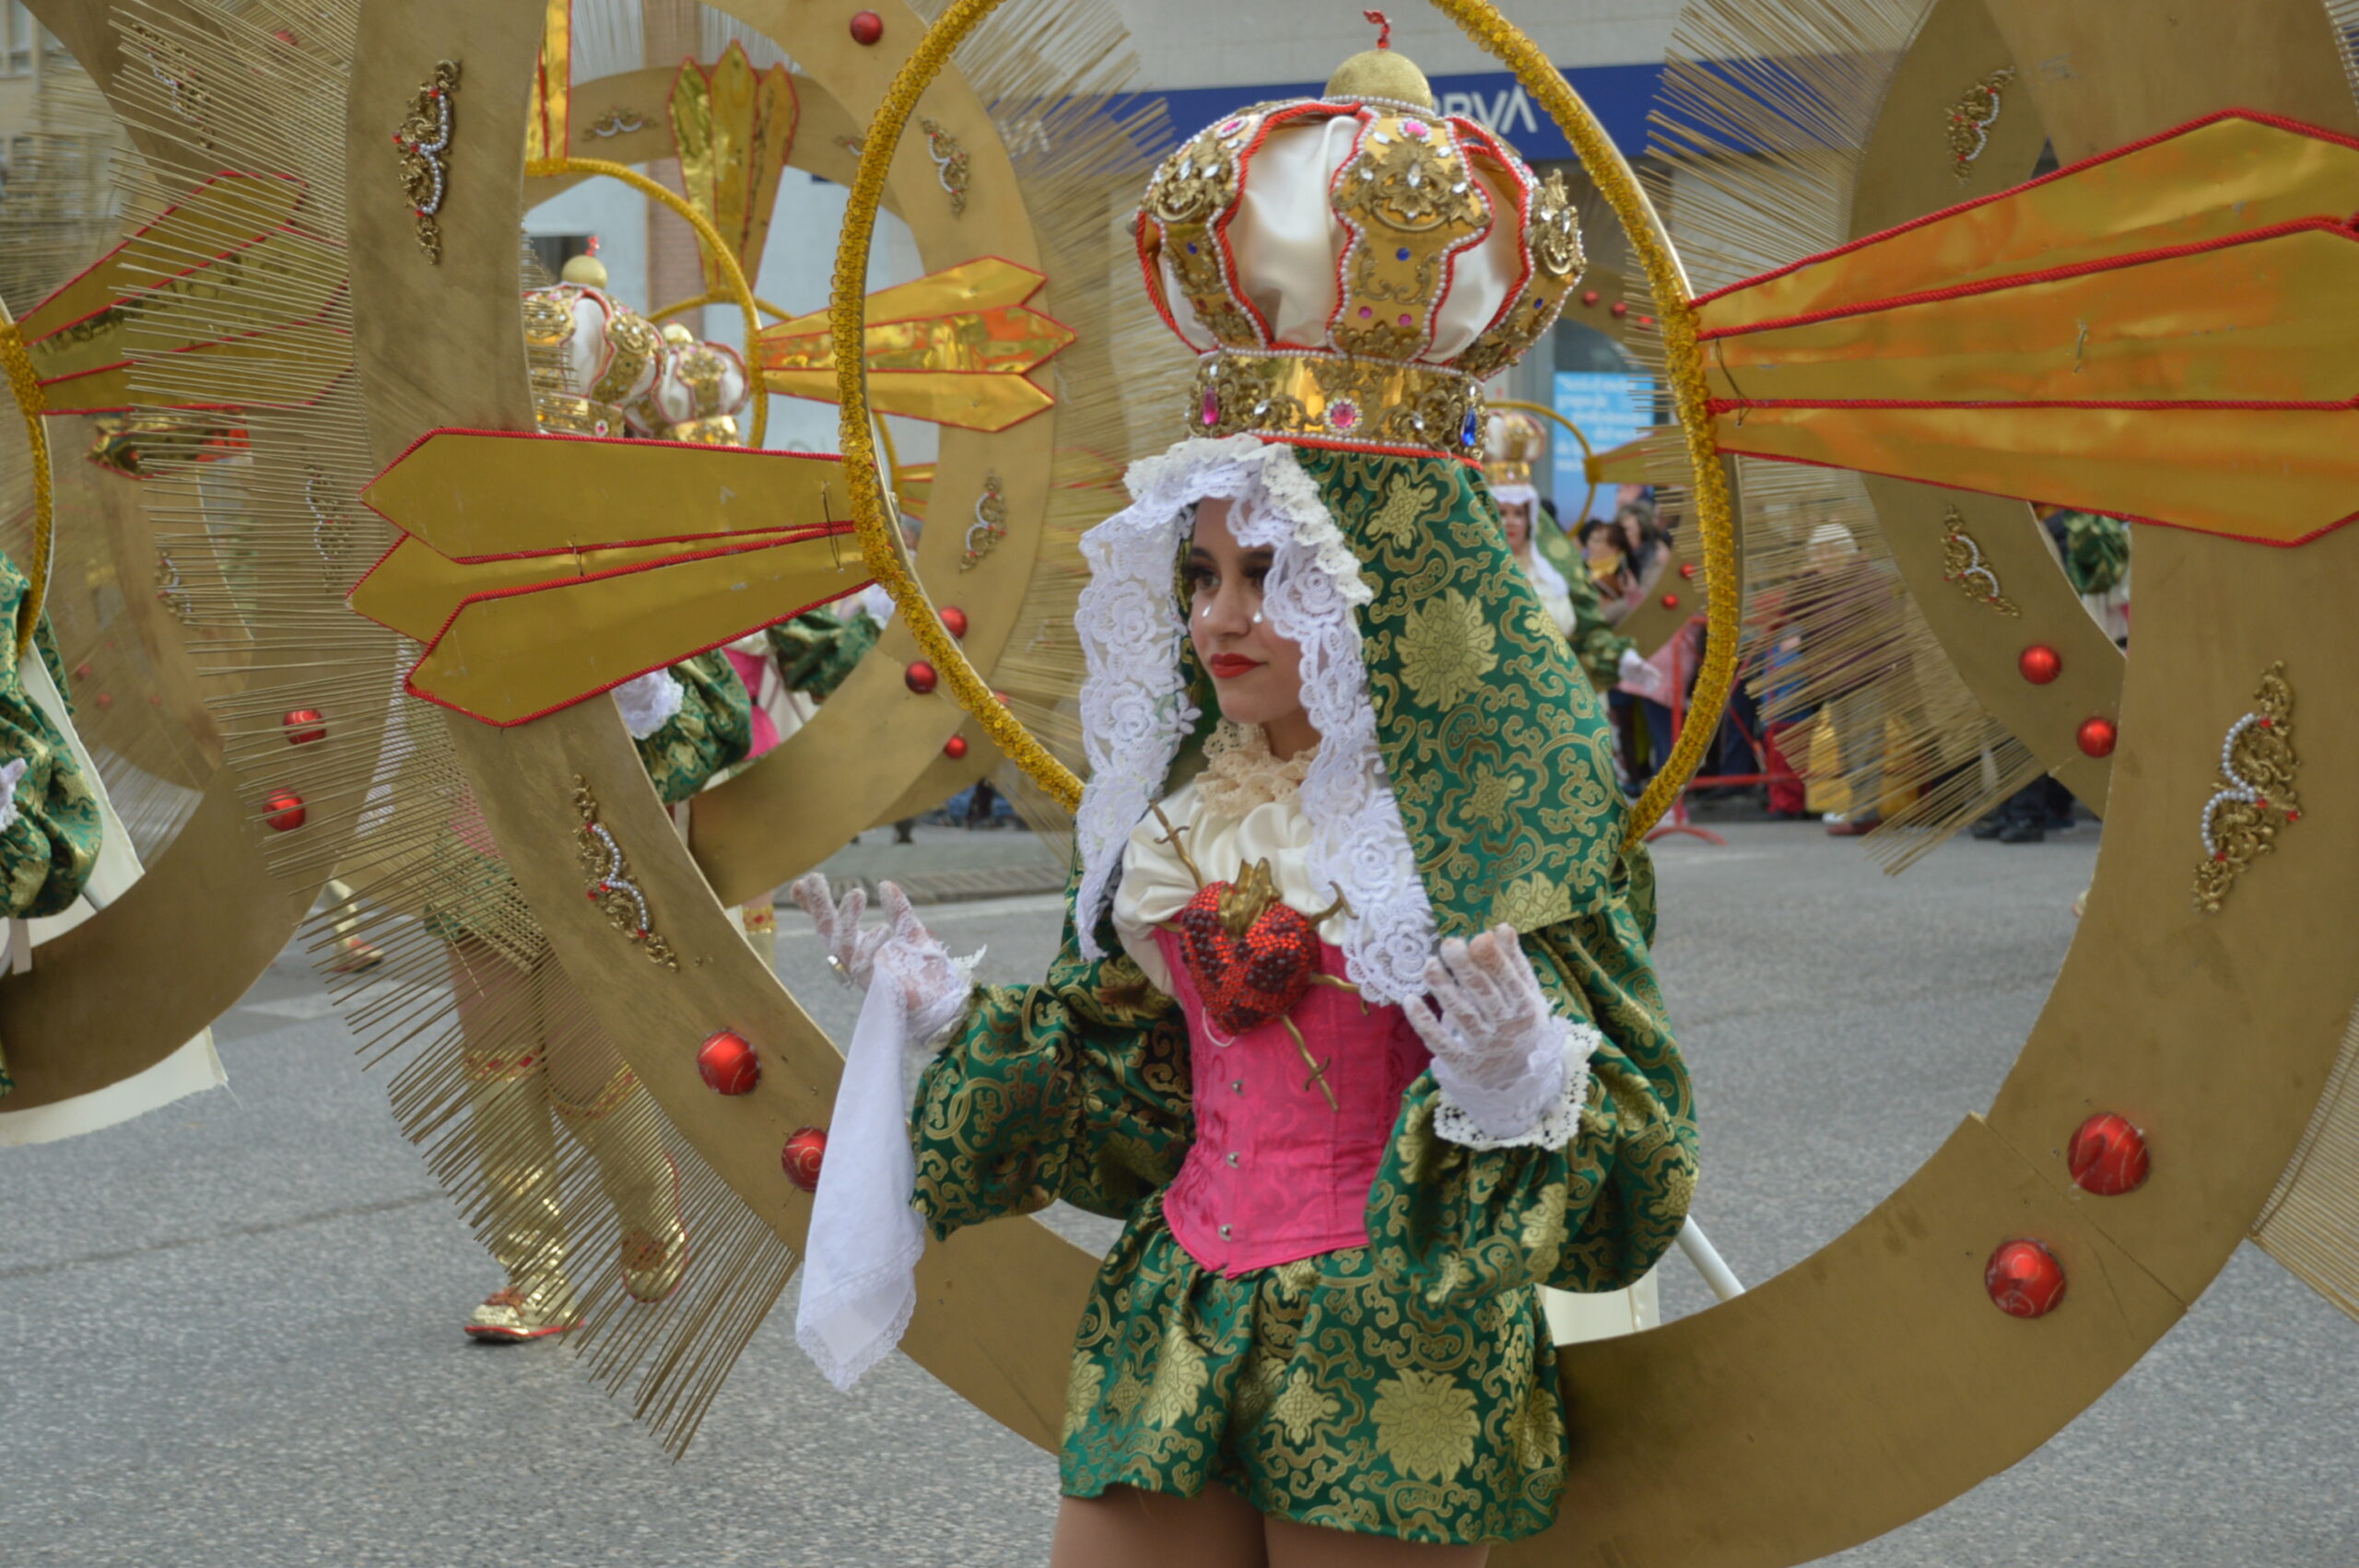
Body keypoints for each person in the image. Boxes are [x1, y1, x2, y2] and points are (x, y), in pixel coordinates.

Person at [792, 37, 1693, 1563]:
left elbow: (1636, 1155)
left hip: (1395, 1334)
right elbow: (1145, 1105)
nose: (1220, 614)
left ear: (1374, 589)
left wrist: (1523, 1072)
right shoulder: (1182, 816)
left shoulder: (1484, 822)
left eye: (1268, 573)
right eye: (1200, 572)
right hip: (1182, 1301)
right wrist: (946, 1020)